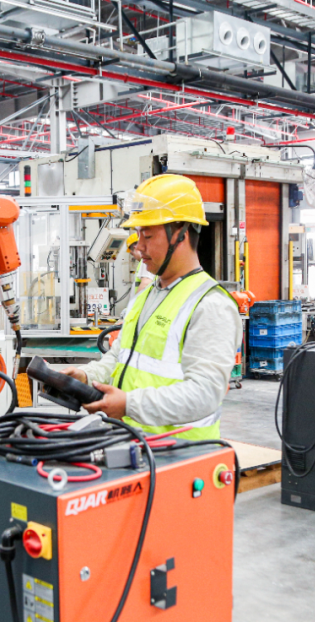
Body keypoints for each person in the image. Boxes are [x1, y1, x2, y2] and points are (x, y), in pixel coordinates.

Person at [60, 174, 242, 439]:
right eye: (137, 234)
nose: (139, 246)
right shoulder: (146, 296)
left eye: (147, 235)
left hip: (182, 451)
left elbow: (205, 394)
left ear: (181, 233)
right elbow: (120, 357)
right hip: (134, 444)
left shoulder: (210, 305)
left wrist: (129, 405)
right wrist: (86, 376)